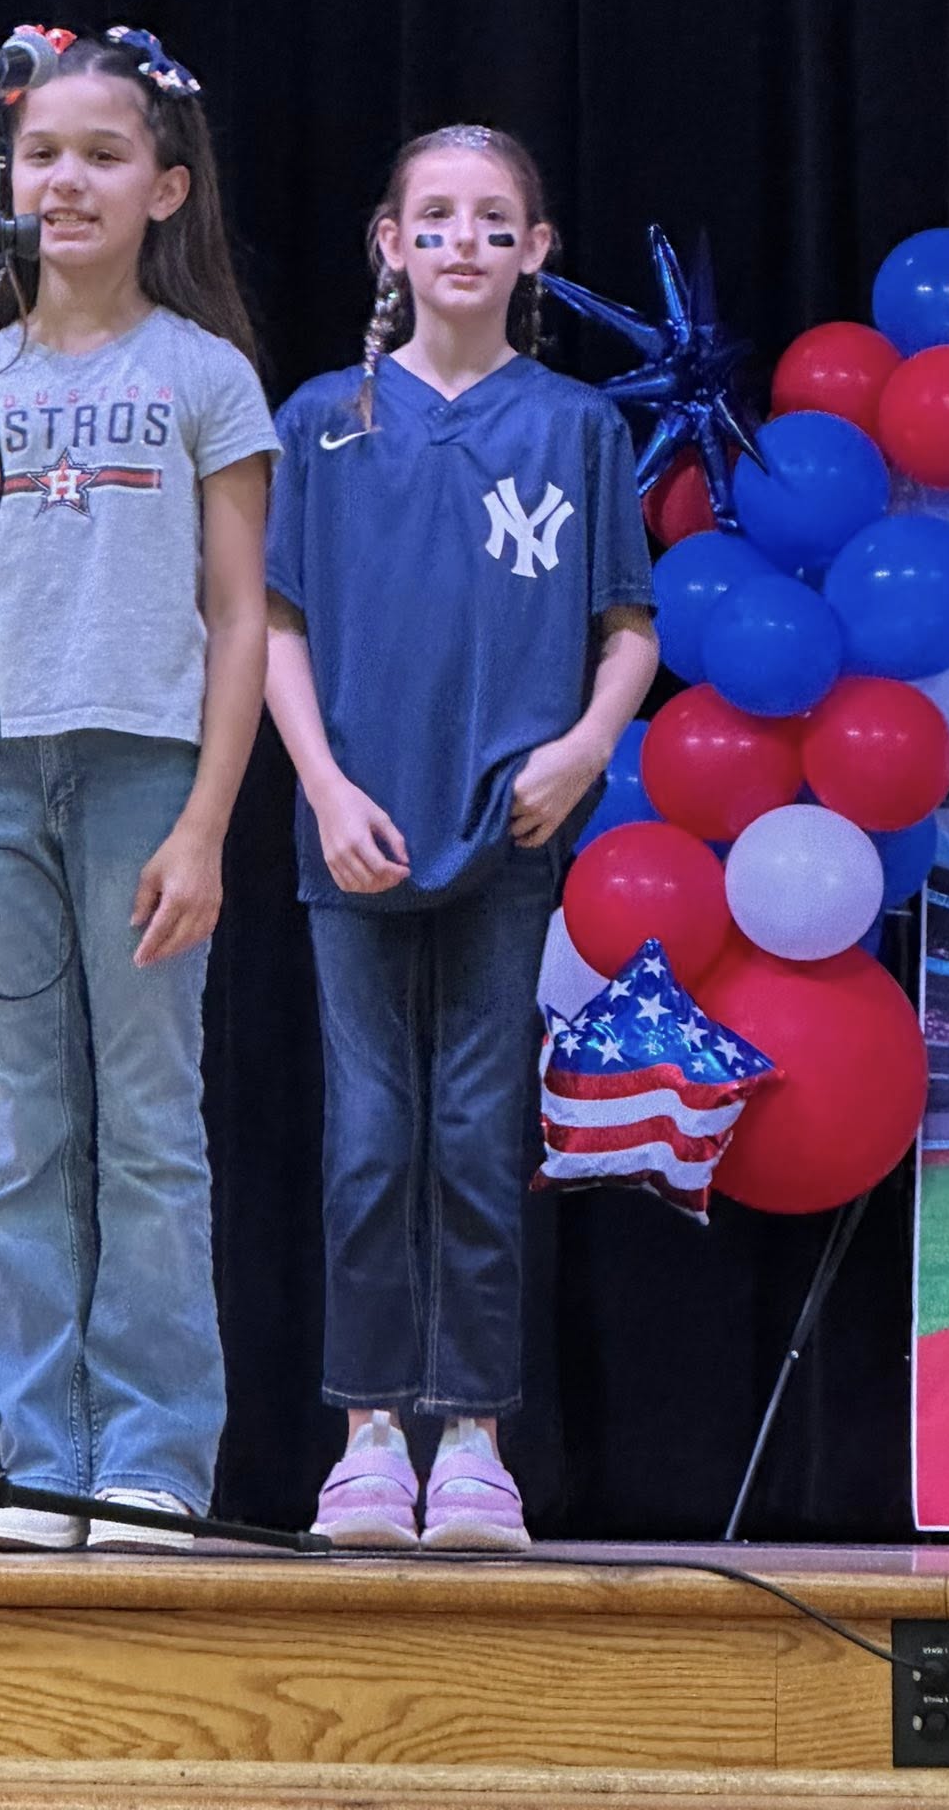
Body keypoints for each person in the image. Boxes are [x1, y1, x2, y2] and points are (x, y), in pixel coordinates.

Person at [0, 28, 276, 1550]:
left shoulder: (205, 375)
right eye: (42, 152)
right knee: (27, 1131)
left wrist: (205, 824)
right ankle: (42, 1457)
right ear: (3, 177)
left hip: (141, 769)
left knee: (151, 1125)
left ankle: (156, 1461)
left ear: (165, 187)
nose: (68, 180)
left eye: (105, 155)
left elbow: (240, 613)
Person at [264, 123, 657, 1550]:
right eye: (435, 218)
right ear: (390, 241)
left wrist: (583, 747)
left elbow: (628, 625)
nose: (464, 243)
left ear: (536, 251)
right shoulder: (324, 420)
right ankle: (369, 1429)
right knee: (370, 1137)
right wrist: (319, 781)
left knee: (482, 1135)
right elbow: (278, 625)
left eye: (496, 221)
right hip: (358, 835)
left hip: (509, 831)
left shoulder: (576, 427)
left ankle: (476, 1438)